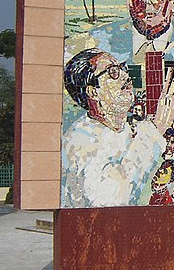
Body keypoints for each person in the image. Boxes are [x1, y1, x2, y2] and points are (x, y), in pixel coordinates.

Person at [61, 48, 165, 207]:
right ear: (93, 92)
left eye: (122, 68)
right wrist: (155, 130)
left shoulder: (132, 127)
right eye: (113, 72)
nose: (125, 76)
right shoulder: (79, 143)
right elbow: (110, 199)